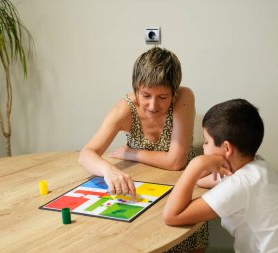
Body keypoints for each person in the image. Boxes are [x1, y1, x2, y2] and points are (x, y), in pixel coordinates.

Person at [78, 47, 207, 252]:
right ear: (136, 88)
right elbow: (86, 154)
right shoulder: (124, 109)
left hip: (182, 190)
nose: (153, 105)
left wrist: (131, 153)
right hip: (143, 195)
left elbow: (176, 162)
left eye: (163, 97)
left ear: (174, 92)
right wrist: (108, 170)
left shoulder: (185, 96)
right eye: (145, 95)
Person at [163, 99, 278, 253]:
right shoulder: (256, 166)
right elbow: (201, 181)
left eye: (206, 142)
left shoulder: (241, 184)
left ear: (226, 148)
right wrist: (205, 165)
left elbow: (172, 215)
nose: (204, 148)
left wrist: (197, 164)